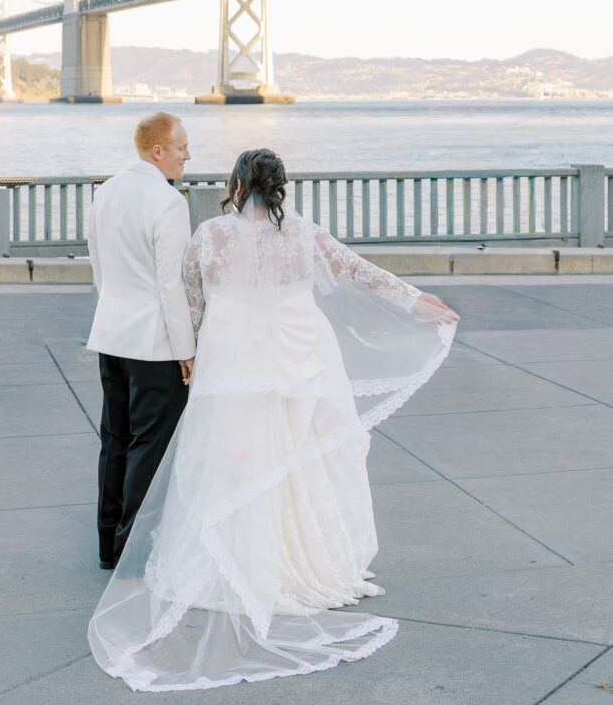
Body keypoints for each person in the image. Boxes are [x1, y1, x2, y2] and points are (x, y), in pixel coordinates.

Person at [88, 148, 458, 691]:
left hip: (232, 361)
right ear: (281, 186)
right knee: (295, 458)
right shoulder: (305, 235)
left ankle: (238, 559)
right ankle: (299, 561)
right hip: (300, 362)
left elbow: (191, 303)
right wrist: (415, 299)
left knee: (232, 460)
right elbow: (359, 271)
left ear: (237, 183)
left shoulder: (210, 236)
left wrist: (186, 355)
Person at [86, 111, 195, 571]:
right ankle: (135, 553)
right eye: (181, 147)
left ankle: (109, 546)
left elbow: (98, 267)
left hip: (111, 335)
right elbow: (174, 286)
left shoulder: (104, 192)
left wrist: (113, 311)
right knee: (148, 447)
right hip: (154, 345)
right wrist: (186, 350)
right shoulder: (168, 202)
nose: (187, 155)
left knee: (115, 441)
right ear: (158, 151)